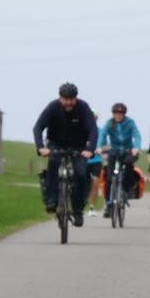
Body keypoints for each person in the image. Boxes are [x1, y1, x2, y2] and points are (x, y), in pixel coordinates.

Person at [32, 83, 97, 227]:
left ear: (76, 98)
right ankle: (52, 201)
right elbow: (38, 128)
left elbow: (93, 130)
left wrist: (90, 149)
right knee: (53, 165)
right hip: (56, 144)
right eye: (65, 99)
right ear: (60, 98)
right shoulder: (52, 108)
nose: (68, 102)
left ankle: (78, 210)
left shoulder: (83, 108)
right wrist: (41, 147)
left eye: (71, 99)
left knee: (80, 173)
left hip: (78, 146)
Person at [97, 102, 141, 219]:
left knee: (128, 164)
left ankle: (127, 189)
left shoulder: (130, 123)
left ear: (124, 114)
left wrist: (136, 148)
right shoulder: (109, 123)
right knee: (109, 177)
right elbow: (102, 134)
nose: (118, 116)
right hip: (114, 151)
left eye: (120, 113)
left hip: (128, 151)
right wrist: (99, 147)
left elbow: (137, 135)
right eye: (116, 113)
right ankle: (108, 203)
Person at [86, 112, 103, 216]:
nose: (93, 119)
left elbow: (106, 145)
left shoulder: (101, 132)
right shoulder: (82, 130)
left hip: (96, 160)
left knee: (96, 182)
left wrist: (101, 149)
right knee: (82, 183)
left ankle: (92, 207)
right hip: (84, 160)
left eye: (94, 117)